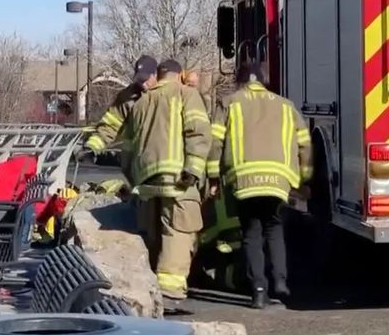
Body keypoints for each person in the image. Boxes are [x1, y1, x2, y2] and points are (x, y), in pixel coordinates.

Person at [207, 63, 312, 309]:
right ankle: (281, 283)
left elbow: (215, 142)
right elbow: (305, 142)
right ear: (264, 80)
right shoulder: (286, 105)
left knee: (251, 234)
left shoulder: (229, 102)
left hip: (244, 181)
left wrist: (213, 178)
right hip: (279, 181)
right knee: (274, 230)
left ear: (240, 82)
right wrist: (303, 179)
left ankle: (258, 291)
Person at [124, 59, 211, 302]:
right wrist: (193, 169)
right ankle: (169, 291)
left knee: (153, 234)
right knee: (179, 230)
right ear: (180, 75)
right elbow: (199, 132)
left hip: (146, 181)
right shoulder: (186, 95)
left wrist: (134, 181)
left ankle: (151, 289)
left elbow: (127, 150)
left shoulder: (140, 103)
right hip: (178, 179)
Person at [80, 55, 158, 185]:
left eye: (146, 79)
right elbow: (110, 126)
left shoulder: (168, 95)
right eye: (139, 79)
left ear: (155, 75)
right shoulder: (127, 97)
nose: (143, 83)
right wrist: (91, 147)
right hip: (135, 165)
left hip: (161, 162)